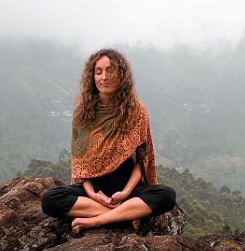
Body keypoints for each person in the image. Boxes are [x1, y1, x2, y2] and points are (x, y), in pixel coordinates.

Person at [41, 48, 176, 234]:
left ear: (121, 75)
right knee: (49, 200)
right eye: (98, 72)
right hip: (94, 190)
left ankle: (96, 221)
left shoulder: (137, 111)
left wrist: (127, 192)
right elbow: (80, 164)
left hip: (127, 188)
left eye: (109, 70)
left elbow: (142, 160)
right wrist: (92, 194)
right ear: (92, 76)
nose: (103, 77)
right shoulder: (83, 114)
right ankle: (125, 215)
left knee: (167, 195)